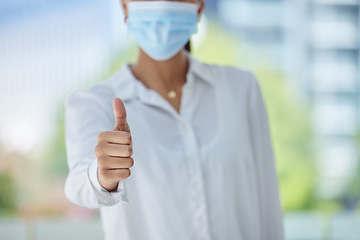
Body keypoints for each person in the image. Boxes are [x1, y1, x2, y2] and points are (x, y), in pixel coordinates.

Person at [64, 0, 284, 239]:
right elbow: (78, 184)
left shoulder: (241, 89)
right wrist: (102, 175)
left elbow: (268, 204)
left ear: (199, 7)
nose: (162, 4)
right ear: (125, 8)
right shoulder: (94, 103)